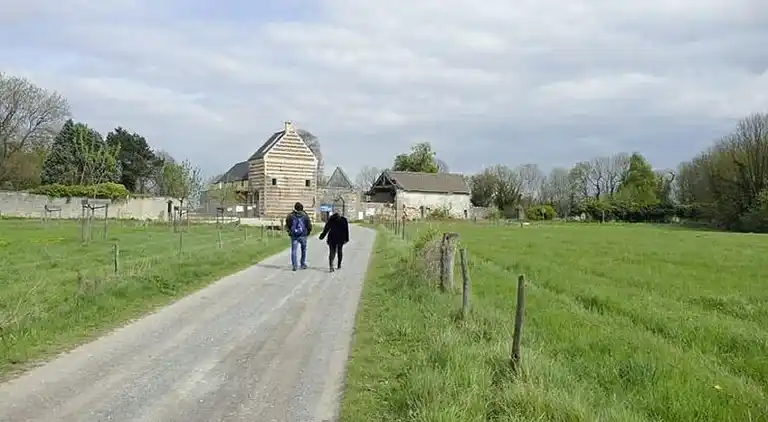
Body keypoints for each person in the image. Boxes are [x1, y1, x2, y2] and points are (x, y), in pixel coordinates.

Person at [285, 202, 312, 271]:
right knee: (303, 250)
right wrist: (308, 233)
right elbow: (309, 225)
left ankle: (295, 266)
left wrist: (289, 232)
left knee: (294, 250)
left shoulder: (291, 215)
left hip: (294, 235)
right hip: (303, 235)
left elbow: (287, 224)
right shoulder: (305, 215)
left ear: (295, 208)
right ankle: (302, 264)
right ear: (302, 208)